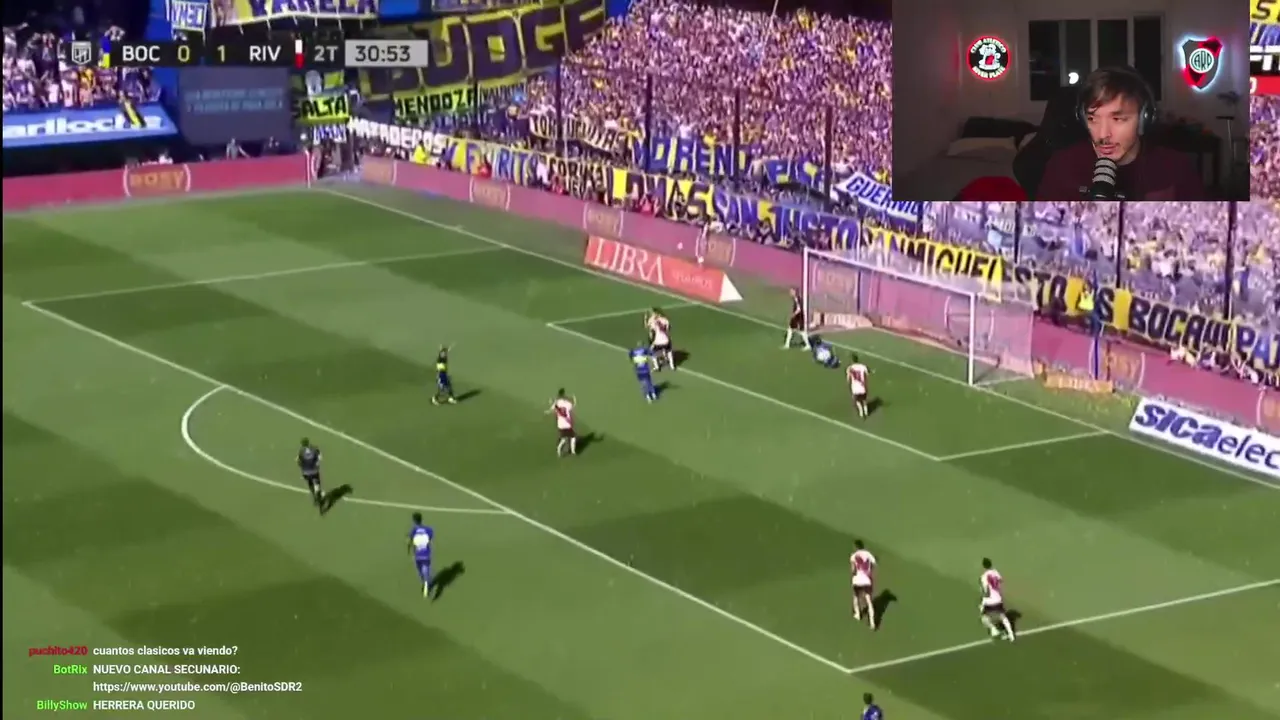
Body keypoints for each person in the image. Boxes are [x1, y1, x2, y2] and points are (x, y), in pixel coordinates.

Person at [1036, 67, 1204, 201]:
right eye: (1092, 119)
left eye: (1118, 119)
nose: (1103, 134)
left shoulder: (1177, 169)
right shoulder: (1062, 167)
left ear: (1144, 119)